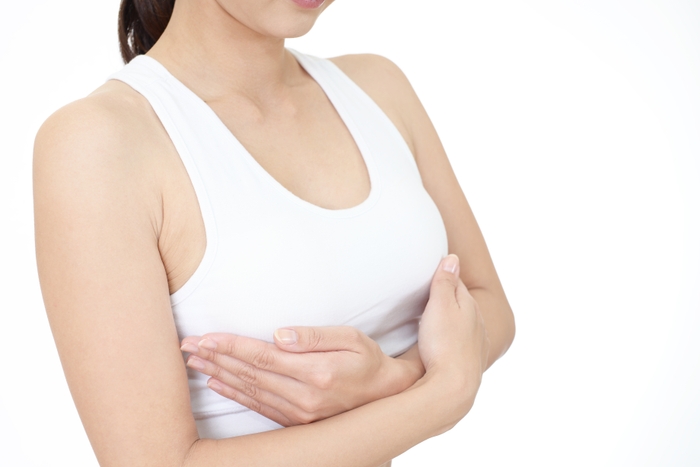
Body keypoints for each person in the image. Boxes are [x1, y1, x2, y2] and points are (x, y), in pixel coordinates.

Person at [33, 0, 515, 465]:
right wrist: (442, 393)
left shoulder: (377, 87)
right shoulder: (99, 142)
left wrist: (394, 377)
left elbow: (487, 299)